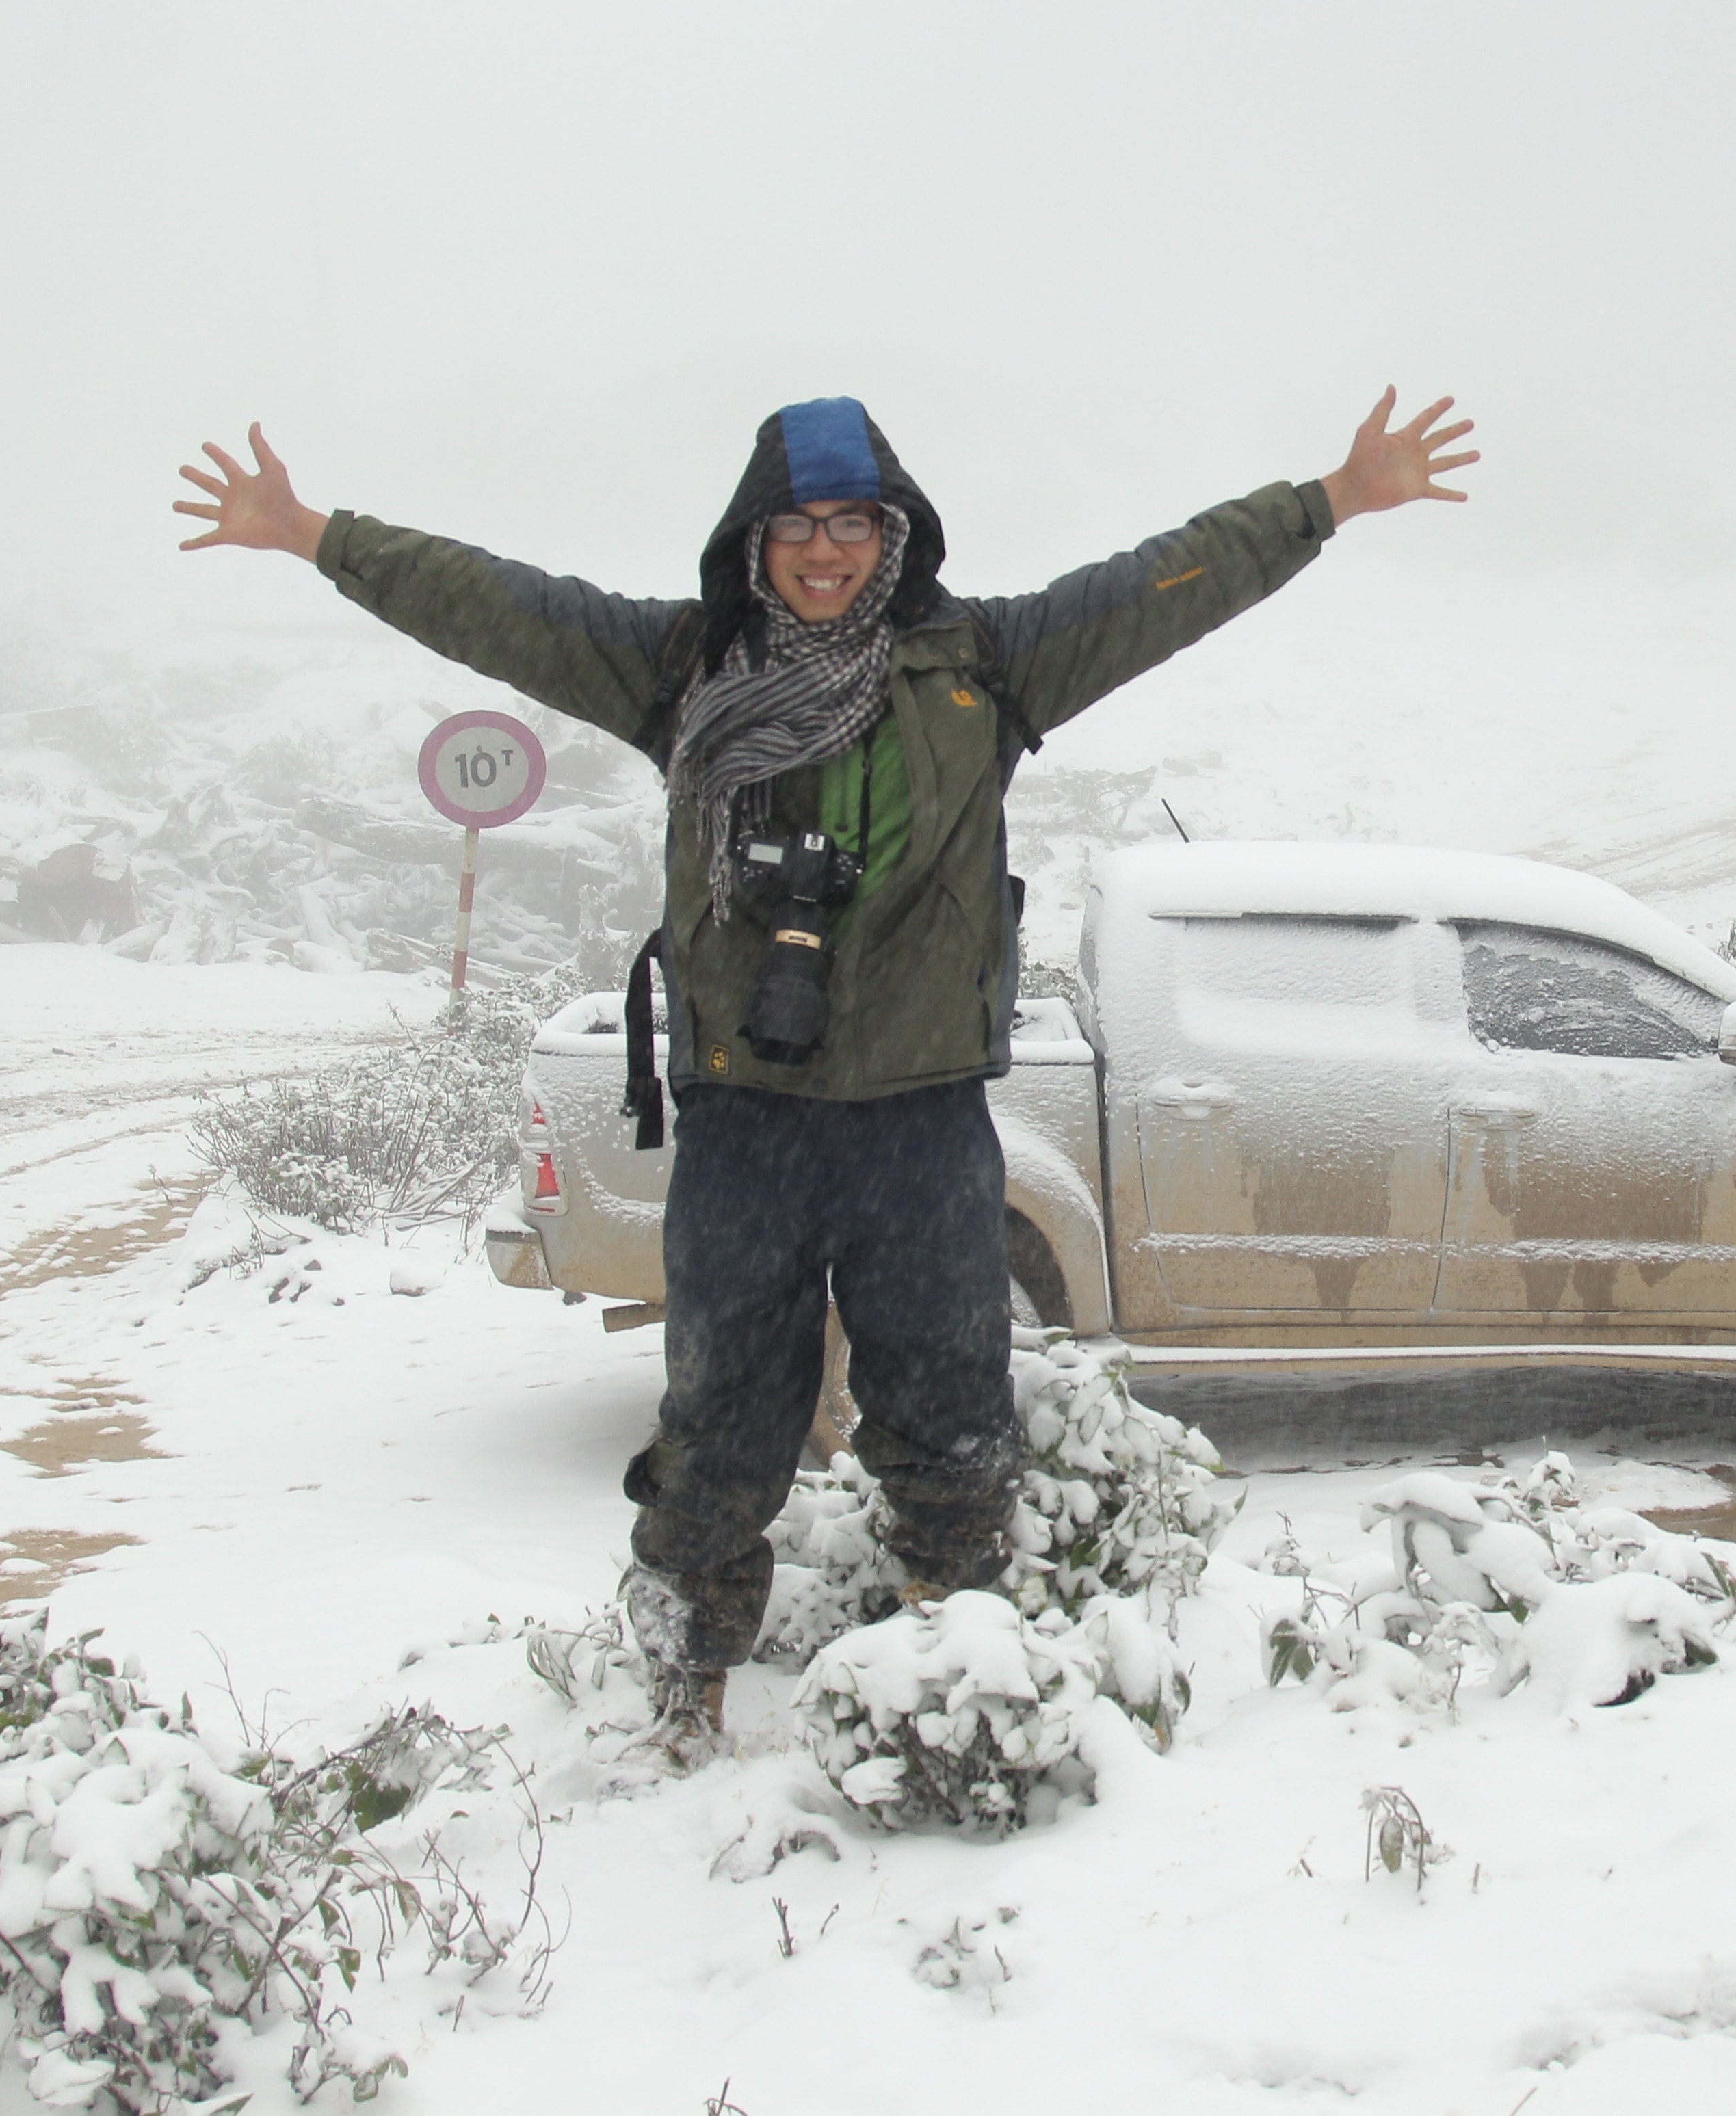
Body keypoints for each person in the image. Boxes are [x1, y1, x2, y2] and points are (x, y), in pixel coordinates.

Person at [176, 390, 1476, 1759]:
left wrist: (1327, 498)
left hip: (920, 1119)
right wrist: (317, 533)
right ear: (756, 532)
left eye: (855, 523)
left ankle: (956, 1656)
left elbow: (1155, 586)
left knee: (948, 1404)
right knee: (723, 1410)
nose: (825, 551)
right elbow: (500, 605)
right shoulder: (683, 669)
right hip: (750, 1117)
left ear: (895, 531)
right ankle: (685, 1678)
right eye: (798, 522)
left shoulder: (980, 664)